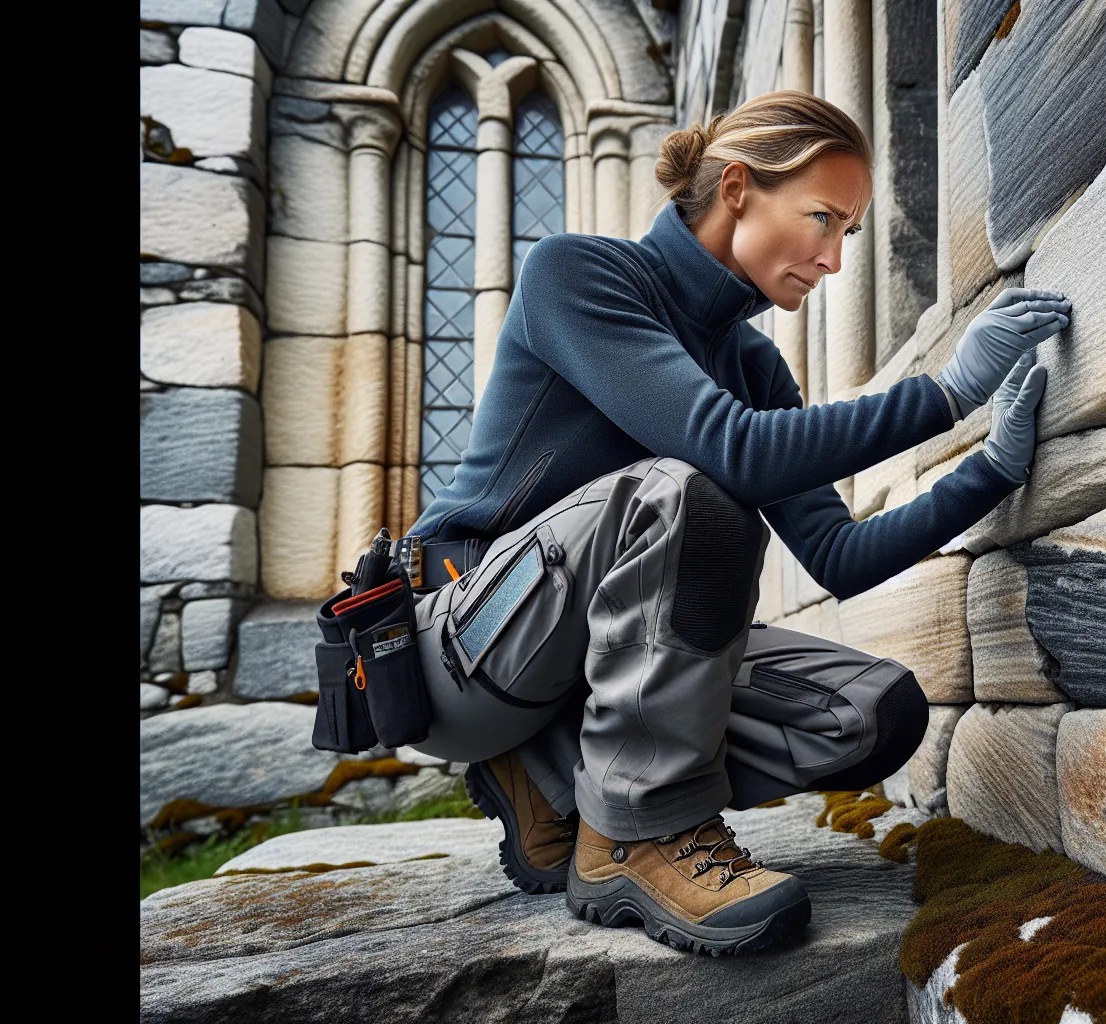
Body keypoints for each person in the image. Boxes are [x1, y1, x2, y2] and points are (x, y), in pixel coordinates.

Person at [401, 89, 1070, 956]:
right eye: (822, 219)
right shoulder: (579, 274)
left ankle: (555, 777)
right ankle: (638, 834)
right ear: (739, 189)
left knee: (872, 713)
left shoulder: (752, 362)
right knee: (691, 491)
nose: (833, 258)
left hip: (583, 663)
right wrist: (945, 394)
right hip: (463, 645)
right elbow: (735, 455)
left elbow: (838, 554)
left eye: (848, 234)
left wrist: (991, 472)